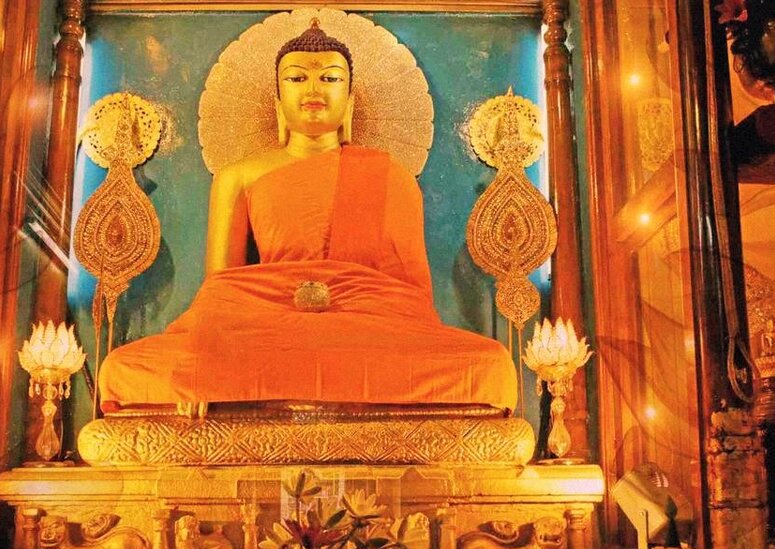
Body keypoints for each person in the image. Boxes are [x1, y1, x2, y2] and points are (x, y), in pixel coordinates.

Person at [97, 21, 518, 411]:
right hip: (265, 333)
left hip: (367, 334)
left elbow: (410, 299)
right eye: (297, 78)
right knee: (122, 366)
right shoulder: (238, 176)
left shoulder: (391, 175)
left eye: (330, 79)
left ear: (349, 101)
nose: (313, 89)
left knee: (490, 363)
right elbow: (223, 293)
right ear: (277, 100)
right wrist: (203, 364)